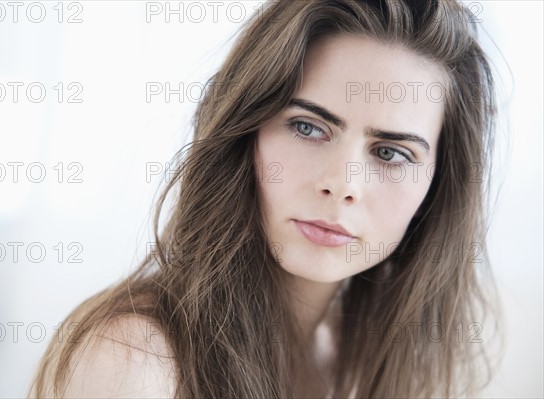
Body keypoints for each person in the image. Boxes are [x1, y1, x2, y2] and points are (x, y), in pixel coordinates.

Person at [28, 0, 502, 397]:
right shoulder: (137, 358)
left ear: (437, 188)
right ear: (244, 133)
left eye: (391, 153)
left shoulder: (363, 360)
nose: (343, 184)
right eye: (308, 127)